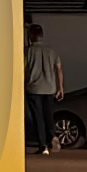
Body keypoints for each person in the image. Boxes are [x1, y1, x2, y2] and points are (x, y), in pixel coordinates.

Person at [25, 24, 64, 155]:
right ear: (42, 36)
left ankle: (43, 146)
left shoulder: (27, 51)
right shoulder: (52, 52)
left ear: (31, 36)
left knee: (38, 118)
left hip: (34, 89)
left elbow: (23, 69)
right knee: (48, 115)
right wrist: (60, 87)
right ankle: (52, 136)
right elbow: (59, 69)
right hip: (50, 88)